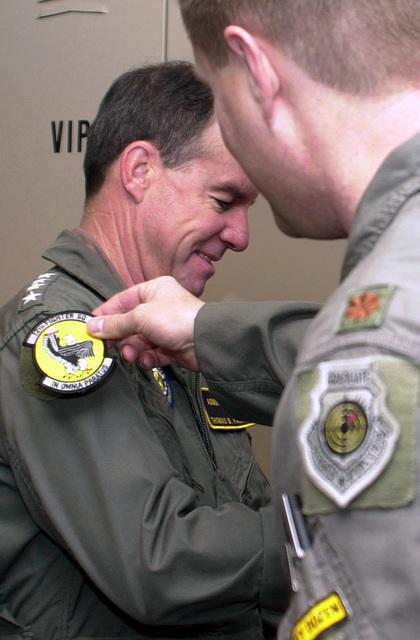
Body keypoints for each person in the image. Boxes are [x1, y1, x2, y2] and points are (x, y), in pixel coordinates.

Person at [87, 2, 420, 638]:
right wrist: (210, 334)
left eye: (217, 93)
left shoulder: (376, 342)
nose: (241, 234)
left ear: (258, 74)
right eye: (222, 199)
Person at [0, 60, 320, 640]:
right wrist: (331, 540)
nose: (243, 236)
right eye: (224, 201)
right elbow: (157, 559)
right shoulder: (63, 335)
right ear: (140, 171)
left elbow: (236, 510)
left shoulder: (167, 325)